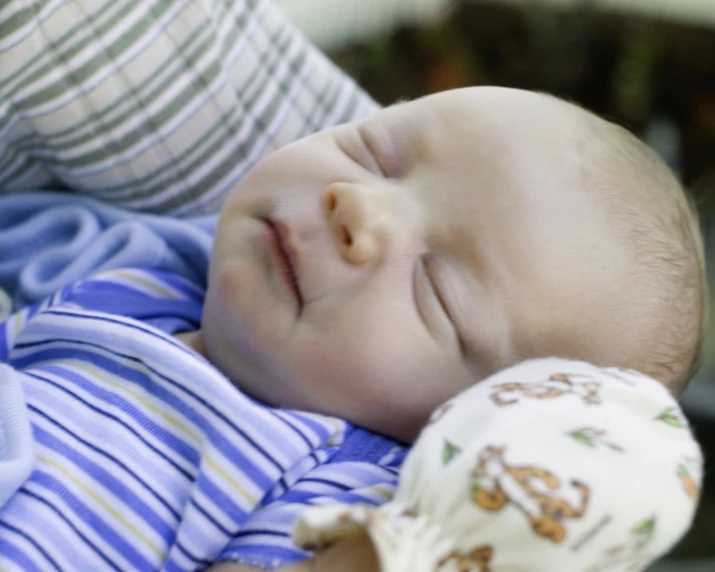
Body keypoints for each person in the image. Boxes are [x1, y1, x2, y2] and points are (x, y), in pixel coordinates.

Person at [0, 85, 706, 571]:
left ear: (463, 419)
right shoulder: (144, 277)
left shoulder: (349, 482)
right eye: (372, 153)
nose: (356, 208)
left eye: (434, 287)